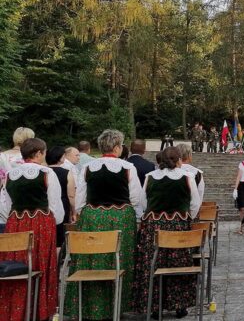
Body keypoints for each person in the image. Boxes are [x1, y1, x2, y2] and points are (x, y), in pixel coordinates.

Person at [66, 129, 145, 320]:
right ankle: (117, 306)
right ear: (117, 147)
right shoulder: (127, 167)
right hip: (121, 217)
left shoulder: (88, 167)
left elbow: (81, 198)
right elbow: (135, 198)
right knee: (119, 259)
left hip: (92, 216)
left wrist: (85, 213)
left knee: (91, 259)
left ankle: (91, 306)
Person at [132, 146, 201, 319]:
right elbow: (195, 203)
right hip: (177, 226)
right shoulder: (187, 177)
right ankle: (179, 305)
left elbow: (142, 202)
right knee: (178, 263)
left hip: (154, 227)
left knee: (153, 264)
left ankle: (155, 306)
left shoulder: (150, 177)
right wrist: (184, 218)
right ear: (179, 160)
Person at [0, 138, 63, 321]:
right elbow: (55, 206)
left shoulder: (11, 175)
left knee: (16, 262)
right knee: (40, 265)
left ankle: (15, 310)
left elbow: (5, 206)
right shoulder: (46, 173)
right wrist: (51, 220)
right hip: (42, 223)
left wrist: (16, 218)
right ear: (38, 153)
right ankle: (39, 311)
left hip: (16, 223)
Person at [47, 146, 78, 248]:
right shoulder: (67, 172)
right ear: (60, 158)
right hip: (62, 204)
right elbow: (71, 195)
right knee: (60, 234)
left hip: (46, 205)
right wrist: (74, 211)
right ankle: (58, 259)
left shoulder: (44, 172)